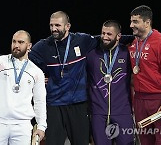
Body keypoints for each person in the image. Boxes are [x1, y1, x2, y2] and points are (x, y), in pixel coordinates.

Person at [28, 11, 135, 145]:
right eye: (51, 25)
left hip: (78, 104)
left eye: (57, 25)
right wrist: (38, 77)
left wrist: (136, 37)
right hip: (54, 104)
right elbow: (26, 61)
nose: (53, 29)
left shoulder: (82, 40)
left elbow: (106, 38)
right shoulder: (43, 46)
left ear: (67, 26)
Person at [128, 5, 161, 145]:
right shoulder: (134, 44)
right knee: (145, 141)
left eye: (135, 22)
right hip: (139, 100)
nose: (131, 25)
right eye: (131, 21)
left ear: (147, 22)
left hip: (159, 100)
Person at [86, 20, 134, 145]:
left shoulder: (127, 53)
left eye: (109, 34)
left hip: (122, 112)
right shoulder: (91, 54)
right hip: (98, 113)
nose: (104, 37)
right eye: (103, 33)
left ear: (118, 36)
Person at [0, 30, 47, 145]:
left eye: (21, 42)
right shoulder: (1, 62)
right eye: (14, 41)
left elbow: (39, 101)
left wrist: (41, 126)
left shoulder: (36, 72)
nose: (16, 45)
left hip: (22, 126)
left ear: (29, 46)